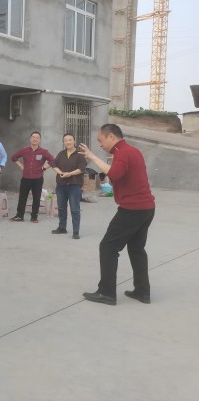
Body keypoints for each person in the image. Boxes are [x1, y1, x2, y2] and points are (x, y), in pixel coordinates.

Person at [78, 124, 155, 306]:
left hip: (132, 209)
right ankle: (142, 291)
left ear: (111, 136)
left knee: (108, 247)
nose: (100, 144)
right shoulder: (132, 151)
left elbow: (115, 173)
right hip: (146, 208)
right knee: (136, 249)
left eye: (101, 140)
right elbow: (119, 176)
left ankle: (106, 293)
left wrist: (92, 157)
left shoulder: (123, 152)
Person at [10, 131, 55, 223]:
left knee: (36, 198)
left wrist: (44, 167)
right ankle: (19, 216)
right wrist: (20, 165)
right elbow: (13, 157)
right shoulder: (24, 150)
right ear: (30, 139)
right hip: (25, 178)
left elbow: (53, 161)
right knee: (22, 197)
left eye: (37, 137)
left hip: (38, 179)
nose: (35, 139)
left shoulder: (43, 152)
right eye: (33, 137)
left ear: (39, 140)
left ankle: (34, 217)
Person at [50, 133, 87, 239]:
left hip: (74, 186)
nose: (68, 142)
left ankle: (76, 231)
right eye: (65, 140)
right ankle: (62, 228)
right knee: (61, 208)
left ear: (74, 141)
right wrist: (61, 173)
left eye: (70, 140)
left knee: (75, 209)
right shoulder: (61, 154)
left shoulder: (80, 154)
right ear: (63, 142)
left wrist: (69, 174)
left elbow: (81, 169)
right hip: (61, 185)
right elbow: (54, 165)